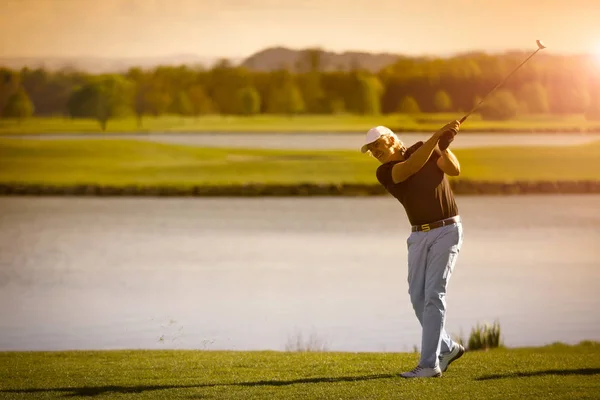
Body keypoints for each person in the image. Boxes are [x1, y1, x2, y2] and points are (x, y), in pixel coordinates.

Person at [360, 121, 465, 378]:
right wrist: (436, 138)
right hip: (418, 237)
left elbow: (454, 169)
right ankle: (448, 347)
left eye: (378, 145)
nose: (375, 152)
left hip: (446, 231)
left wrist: (444, 146)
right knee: (417, 297)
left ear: (393, 140)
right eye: (371, 150)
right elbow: (410, 168)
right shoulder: (385, 172)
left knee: (433, 295)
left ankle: (429, 364)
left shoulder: (425, 149)